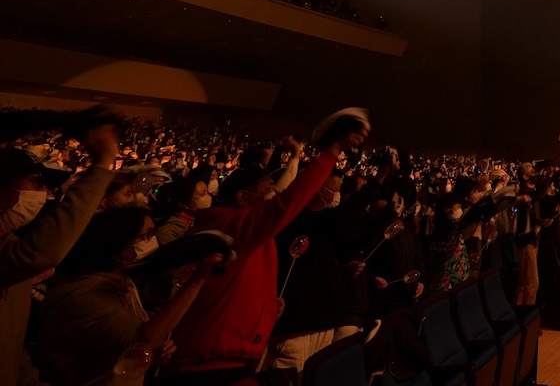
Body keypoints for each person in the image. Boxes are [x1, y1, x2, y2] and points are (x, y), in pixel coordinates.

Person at [157, 114, 369, 386]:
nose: (275, 193)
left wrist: (266, 308)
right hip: (208, 370)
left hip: (231, 364)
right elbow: (287, 203)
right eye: (269, 188)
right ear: (243, 197)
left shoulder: (254, 236)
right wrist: (333, 150)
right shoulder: (232, 227)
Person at [35, 207, 222, 386]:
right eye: (145, 235)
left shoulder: (120, 283)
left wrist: (151, 355)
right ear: (117, 243)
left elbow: (126, 348)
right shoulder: (86, 296)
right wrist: (198, 279)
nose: (151, 239)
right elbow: (142, 339)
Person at [1, 120, 119, 386]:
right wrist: (100, 167)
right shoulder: (17, 255)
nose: (46, 191)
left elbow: (10, 347)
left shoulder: (11, 245)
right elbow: (42, 253)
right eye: (37, 182)